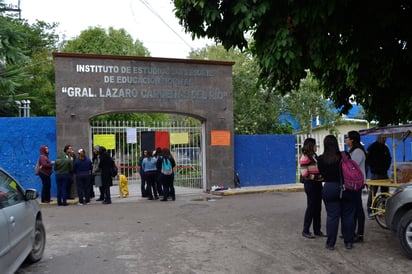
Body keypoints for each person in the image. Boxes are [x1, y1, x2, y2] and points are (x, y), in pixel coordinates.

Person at [317, 135, 356, 250]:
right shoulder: (344, 155)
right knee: (348, 216)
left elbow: (322, 174)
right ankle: (348, 242)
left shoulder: (320, 159)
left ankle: (330, 244)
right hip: (345, 188)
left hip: (329, 188)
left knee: (332, 216)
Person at [299, 138, 326, 239]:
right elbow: (305, 174)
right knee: (311, 207)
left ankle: (317, 230)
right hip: (310, 185)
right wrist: (318, 177)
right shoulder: (305, 157)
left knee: (318, 207)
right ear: (310, 146)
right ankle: (305, 230)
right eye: (315, 145)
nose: (316, 147)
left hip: (318, 184)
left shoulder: (314, 156)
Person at [345, 131, 367, 243]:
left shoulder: (357, 152)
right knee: (354, 208)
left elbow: (351, 166)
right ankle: (351, 232)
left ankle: (360, 233)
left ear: (352, 139)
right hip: (354, 183)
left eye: (347, 138)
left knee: (358, 208)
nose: (346, 140)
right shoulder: (353, 151)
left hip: (357, 184)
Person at [366, 135, 392, 218]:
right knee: (372, 192)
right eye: (383, 138)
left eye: (385, 138)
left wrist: (386, 167)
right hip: (375, 174)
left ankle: (384, 209)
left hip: (384, 173)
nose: (385, 139)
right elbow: (368, 159)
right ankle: (370, 211)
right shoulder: (372, 147)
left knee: (385, 192)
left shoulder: (385, 148)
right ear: (379, 138)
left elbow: (389, 158)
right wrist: (373, 168)